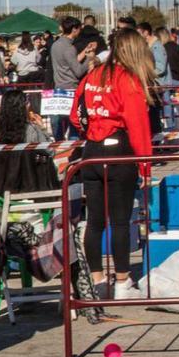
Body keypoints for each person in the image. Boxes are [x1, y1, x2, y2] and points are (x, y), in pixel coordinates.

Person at [70, 29, 156, 300]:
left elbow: (76, 115)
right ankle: (121, 282)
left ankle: (96, 280)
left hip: (91, 152)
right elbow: (138, 126)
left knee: (94, 221)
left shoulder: (92, 74)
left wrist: (90, 132)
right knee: (120, 221)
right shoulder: (128, 80)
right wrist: (145, 166)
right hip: (119, 151)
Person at [51, 16, 96, 138]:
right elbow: (78, 71)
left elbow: (68, 62)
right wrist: (90, 57)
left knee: (59, 126)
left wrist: (85, 51)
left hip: (58, 89)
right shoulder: (69, 48)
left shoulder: (55, 45)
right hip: (71, 90)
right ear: (74, 29)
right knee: (73, 126)